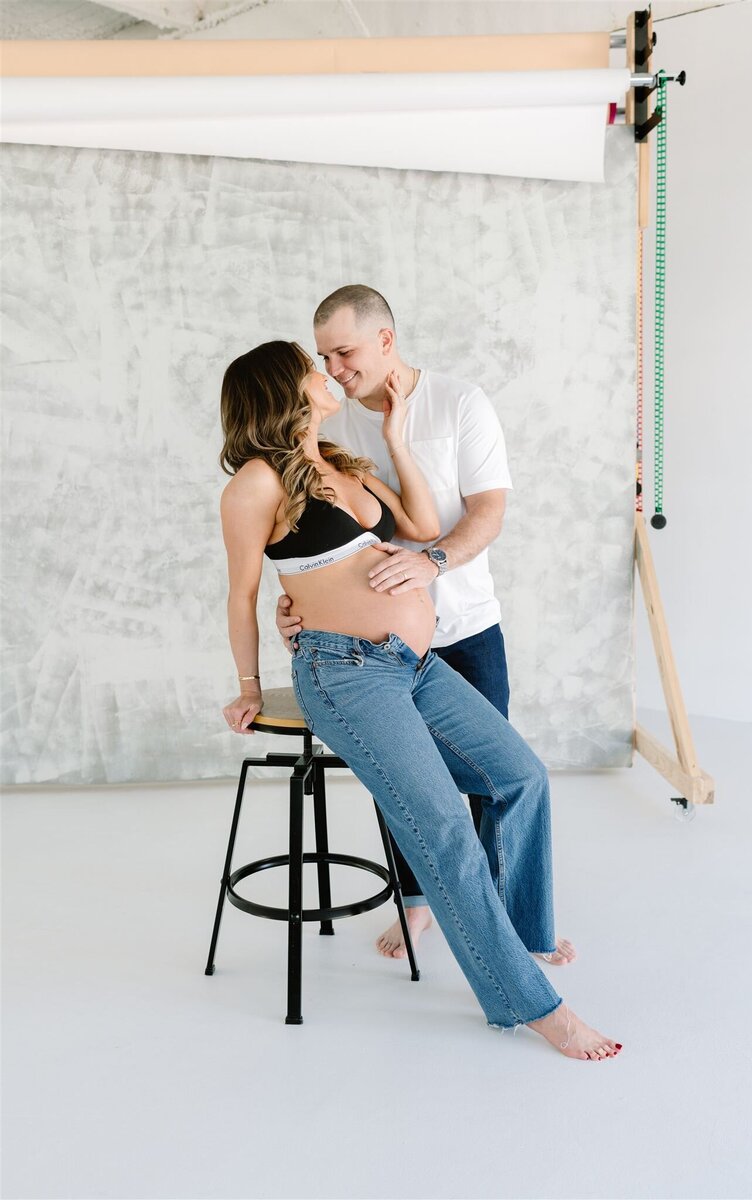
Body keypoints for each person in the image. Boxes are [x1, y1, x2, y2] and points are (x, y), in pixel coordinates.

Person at [219, 337, 621, 1060]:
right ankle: (534, 1007)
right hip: (344, 675)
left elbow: (424, 529)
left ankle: (524, 935)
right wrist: (248, 686)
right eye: (312, 366)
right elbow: (242, 592)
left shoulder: (339, 462)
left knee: (519, 776)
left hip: (414, 665)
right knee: (444, 830)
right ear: (285, 389)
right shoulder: (256, 484)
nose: (325, 373)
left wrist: (398, 437)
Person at [276, 285, 576, 966]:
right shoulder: (330, 427)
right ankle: (415, 903)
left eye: (344, 352)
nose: (334, 371)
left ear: (385, 340)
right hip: (372, 649)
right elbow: (307, 534)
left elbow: (488, 511)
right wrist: (292, 601)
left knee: (496, 777)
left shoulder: (460, 403)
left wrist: (432, 561)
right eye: (324, 358)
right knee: (403, 783)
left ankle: (511, 920)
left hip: (465, 626)